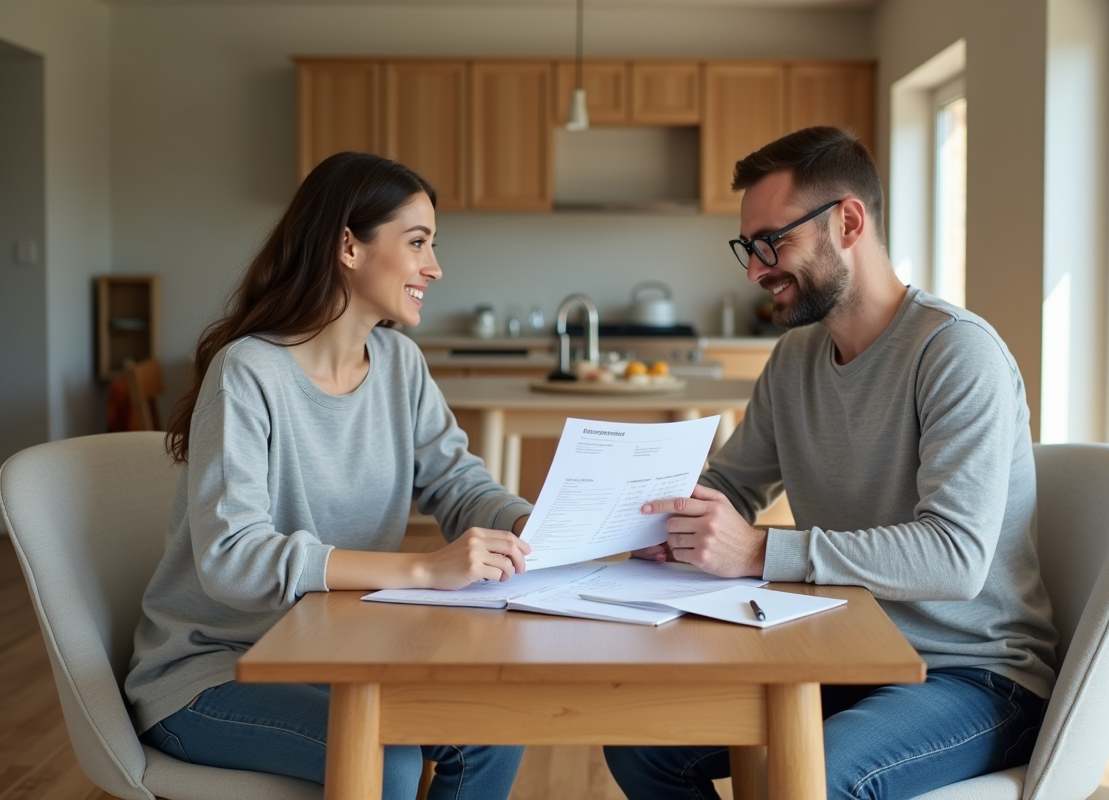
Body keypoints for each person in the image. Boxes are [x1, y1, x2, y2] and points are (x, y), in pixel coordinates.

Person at [604, 127, 1058, 800]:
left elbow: (955, 559)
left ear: (848, 222)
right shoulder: (795, 360)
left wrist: (756, 551)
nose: (755, 270)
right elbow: (731, 484)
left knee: (818, 776)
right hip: (844, 648)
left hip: (973, 674)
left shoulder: (957, 354)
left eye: (771, 242)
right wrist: (650, 519)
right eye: (747, 248)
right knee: (643, 743)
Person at [124, 152, 532, 799]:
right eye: (417, 242)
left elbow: (457, 484)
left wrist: (529, 521)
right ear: (348, 246)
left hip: (336, 651)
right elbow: (231, 558)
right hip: (214, 673)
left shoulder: (399, 364)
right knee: (386, 762)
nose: (434, 267)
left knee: (492, 723)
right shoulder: (248, 371)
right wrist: (421, 570)